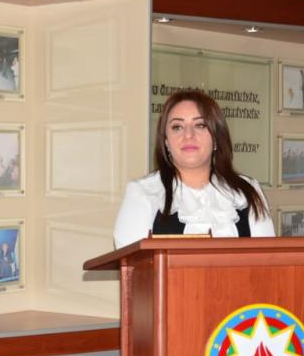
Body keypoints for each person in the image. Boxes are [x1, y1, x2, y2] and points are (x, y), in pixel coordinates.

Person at [114, 89, 274, 248]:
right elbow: (132, 262)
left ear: (216, 136)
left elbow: (269, 258)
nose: (188, 134)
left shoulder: (247, 191)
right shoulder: (143, 193)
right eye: (177, 127)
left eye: (200, 125)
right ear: (166, 141)